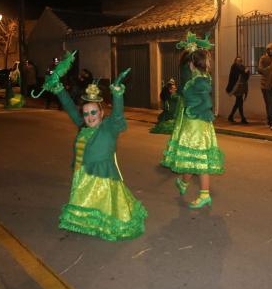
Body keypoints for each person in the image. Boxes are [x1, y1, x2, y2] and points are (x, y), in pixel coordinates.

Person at [45, 58, 147, 241]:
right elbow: (69, 107)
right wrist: (59, 89)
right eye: (86, 113)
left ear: (101, 112)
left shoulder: (109, 127)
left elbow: (117, 115)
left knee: (106, 207)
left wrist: (117, 95)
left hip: (104, 176)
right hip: (84, 175)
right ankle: (88, 224)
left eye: (93, 112)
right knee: (87, 203)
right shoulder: (83, 126)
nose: (89, 117)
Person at [161, 32, 225, 209]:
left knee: (200, 159)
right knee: (193, 157)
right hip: (195, 124)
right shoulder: (200, 78)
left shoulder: (200, 80)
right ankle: (183, 182)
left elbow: (206, 102)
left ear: (191, 64)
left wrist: (192, 110)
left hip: (196, 123)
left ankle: (204, 194)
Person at [225, 56, 250, 124]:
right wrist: (244, 71)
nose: (239, 62)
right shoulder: (234, 67)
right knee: (240, 102)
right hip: (235, 87)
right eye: (237, 61)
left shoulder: (242, 67)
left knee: (238, 103)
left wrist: (246, 72)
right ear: (235, 61)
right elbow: (238, 74)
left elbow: (246, 75)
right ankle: (243, 118)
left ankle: (231, 116)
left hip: (241, 87)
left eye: (240, 61)